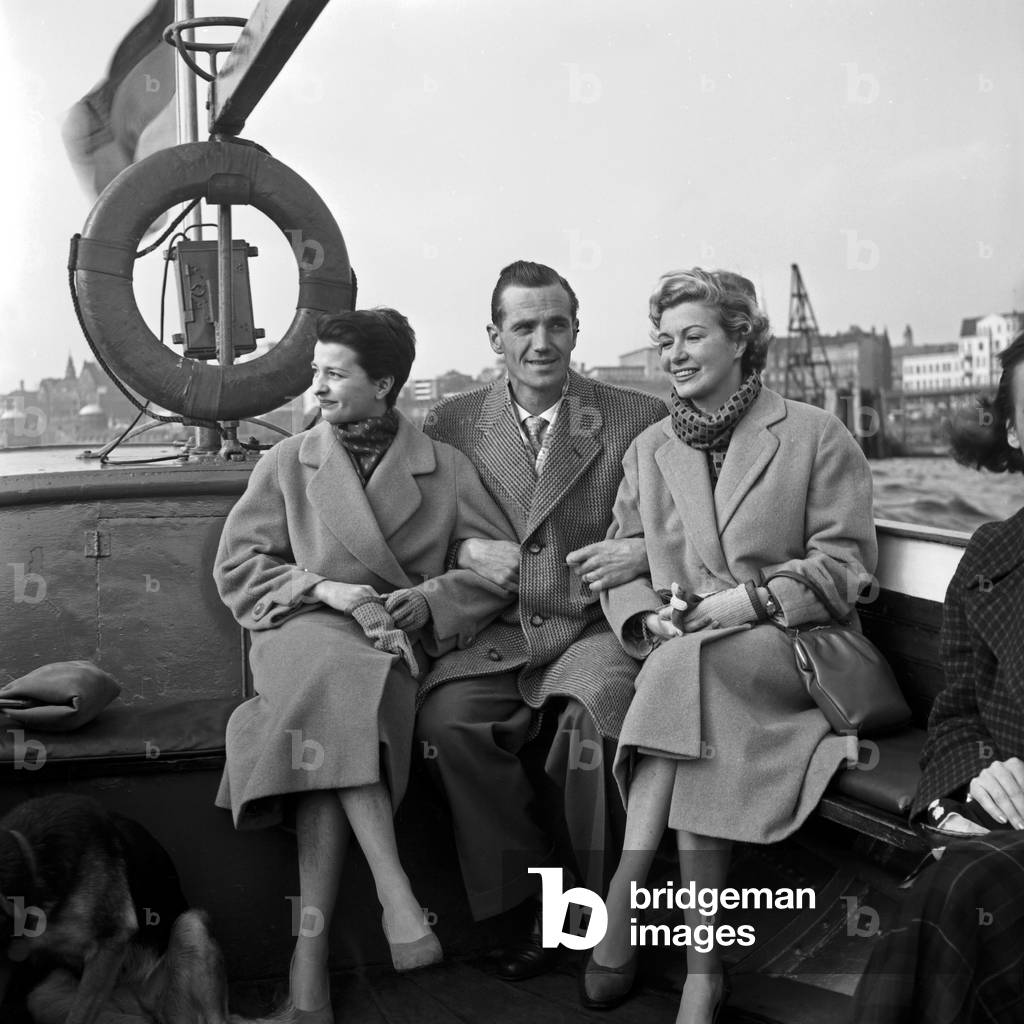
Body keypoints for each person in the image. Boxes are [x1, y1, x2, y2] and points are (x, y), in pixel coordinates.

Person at [589, 268, 877, 1024]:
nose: (673, 355)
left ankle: (622, 897)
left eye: (691, 336)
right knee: (690, 681)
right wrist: (645, 616)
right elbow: (622, 554)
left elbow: (846, 567)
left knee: (690, 669)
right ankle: (701, 973)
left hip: (791, 645)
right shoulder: (651, 448)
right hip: (693, 657)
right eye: (663, 341)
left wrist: (747, 600)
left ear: (740, 337)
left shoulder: (815, 433)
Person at [213, 309, 516, 1022]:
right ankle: (394, 892)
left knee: (340, 714)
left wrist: (426, 600)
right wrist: (322, 586)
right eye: (314, 370)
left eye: (334, 372)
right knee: (335, 681)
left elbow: (493, 574)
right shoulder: (286, 462)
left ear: (383, 384)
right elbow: (240, 568)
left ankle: (307, 967)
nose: (316, 385)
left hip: (386, 639)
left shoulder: (445, 469)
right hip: (299, 628)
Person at [416, 260, 667, 979]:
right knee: (445, 724)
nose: (541, 341)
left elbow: (687, 529)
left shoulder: (635, 418)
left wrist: (640, 549)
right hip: (497, 632)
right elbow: (412, 528)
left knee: (596, 722)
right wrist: (461, 545)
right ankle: (532, 904)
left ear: (576, 330)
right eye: (523, 325)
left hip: (591, 625)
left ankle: (595, 916)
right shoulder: (450, 423)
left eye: (556, 323)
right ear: (494, 336)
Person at [852, 331, 1024, 1024]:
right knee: (959, 888)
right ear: (1013, 431)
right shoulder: (991, 556)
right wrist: (980, 770)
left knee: (957, 890)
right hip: (1006, 818)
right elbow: (954, 713)